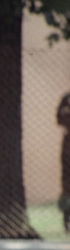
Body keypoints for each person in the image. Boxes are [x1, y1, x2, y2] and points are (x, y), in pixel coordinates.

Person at [57, 92, 70, 232]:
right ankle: (67, 218)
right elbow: (60, 118)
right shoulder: (67, 99)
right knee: (67, 186)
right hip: (68, 154)